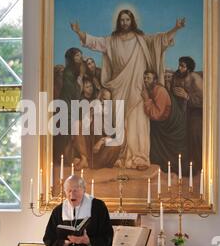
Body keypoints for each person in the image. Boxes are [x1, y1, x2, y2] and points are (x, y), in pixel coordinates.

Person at [71, 10, 186, 171]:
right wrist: (79, 32)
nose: (125, 22)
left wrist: (176, 28)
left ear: (132, 21)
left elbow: (160, 40)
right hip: (119, 87)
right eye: (122, 20)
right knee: (120, 123)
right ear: (119, 22)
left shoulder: (142, 40)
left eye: (127, 19)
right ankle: (121, 156)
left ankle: (139, 158)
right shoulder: (112, 41)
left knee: (138, 122)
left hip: (138, 88)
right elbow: (95, 42)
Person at [141, 70, 186, 174]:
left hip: (171, 127)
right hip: (162, 125)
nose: (145, 80)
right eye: (144, 78)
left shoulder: (159, 90)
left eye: (148, 78)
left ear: (155, 80)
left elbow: (157, 114)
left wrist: (146, 99)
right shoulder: (152, 90)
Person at [172, 56, 203, 174]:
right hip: (180, 112)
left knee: (194, 135)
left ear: (189, 69)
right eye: (179, 65)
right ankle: (183, 167)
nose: (179, 68)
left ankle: (198, 166)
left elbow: (203, 99)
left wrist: (187, 97)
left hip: (195, 112)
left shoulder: (195, 78)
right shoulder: (176, 77)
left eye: (182, 66)